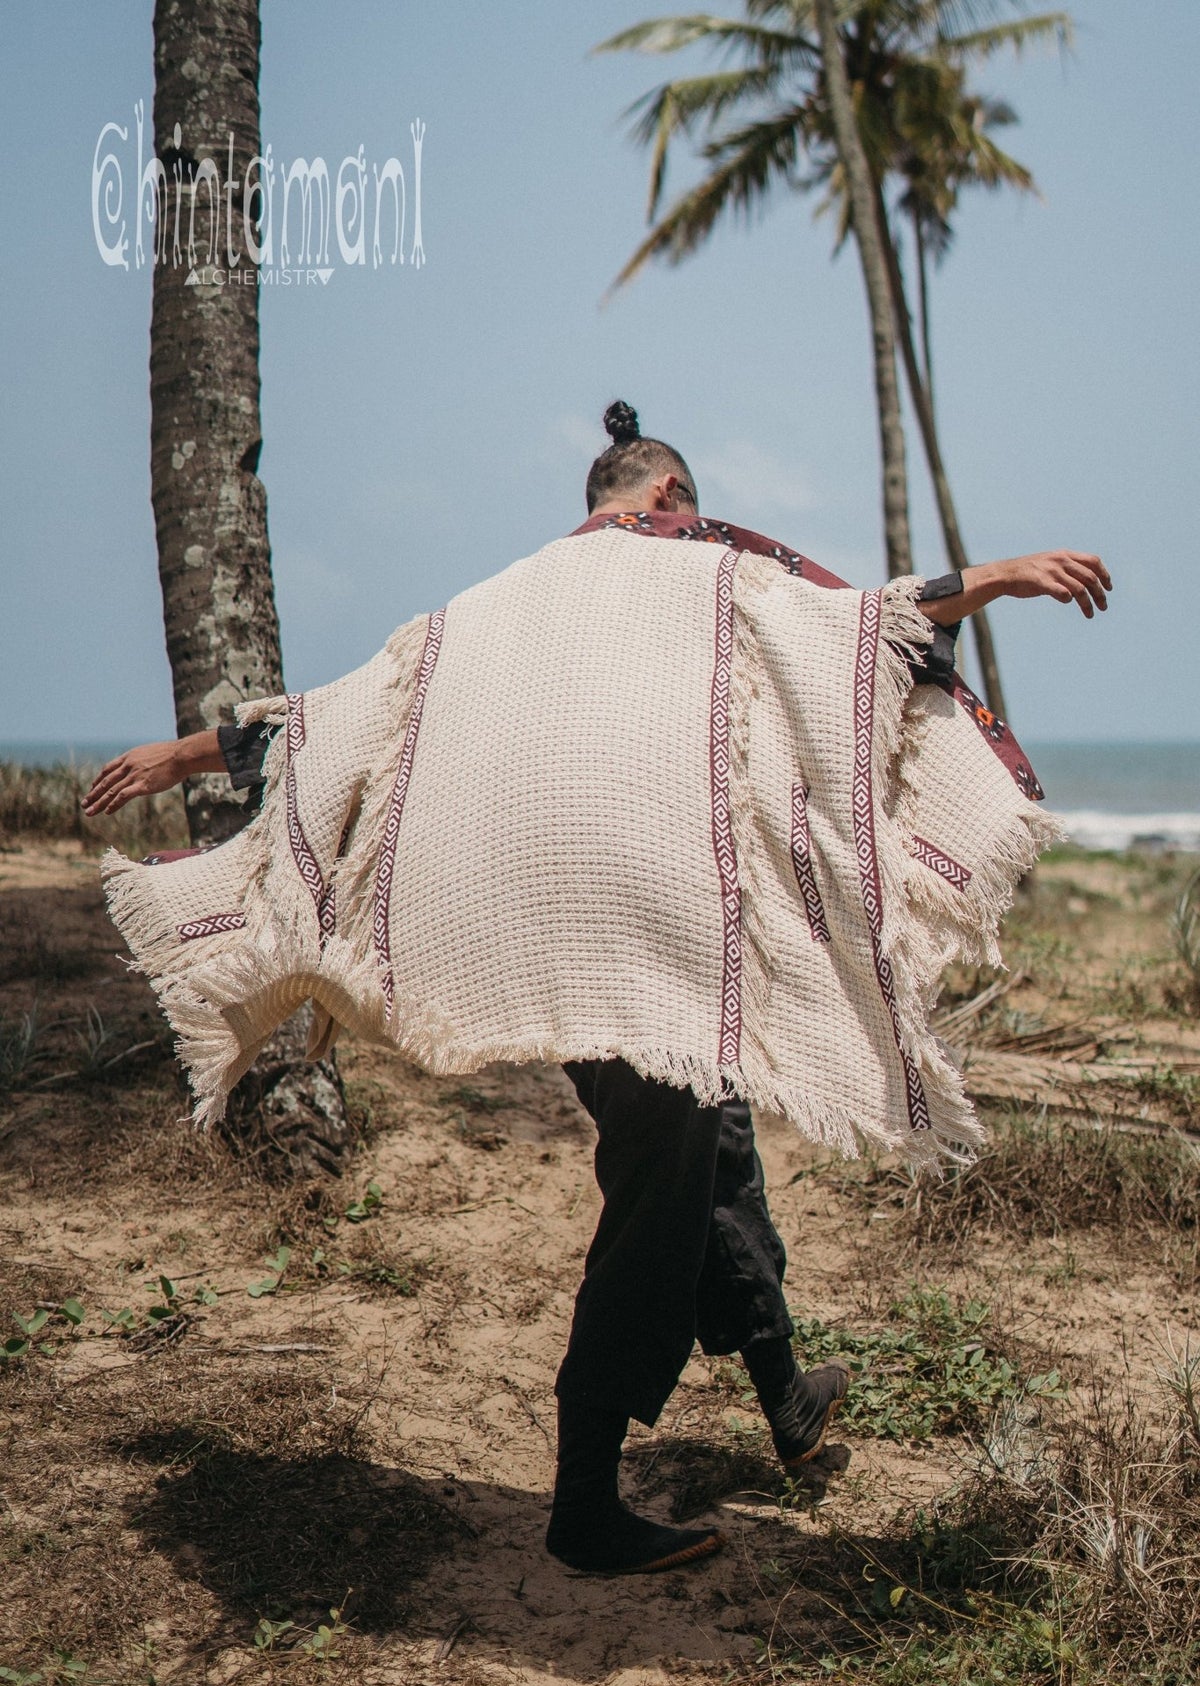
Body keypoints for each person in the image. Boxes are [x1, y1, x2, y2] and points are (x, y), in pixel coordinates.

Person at [85, 401, 1110, 1576]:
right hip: (658, 938)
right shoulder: (703, 576)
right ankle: (584, 1503)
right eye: (692, 507)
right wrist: (1003, 575)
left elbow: (336, 718)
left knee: (705, 1143)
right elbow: (861, 627)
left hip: (545, 945)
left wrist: (182, 754)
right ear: (668, 497)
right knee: (657, 1203)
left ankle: (783, 1388)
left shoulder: (488, 610)